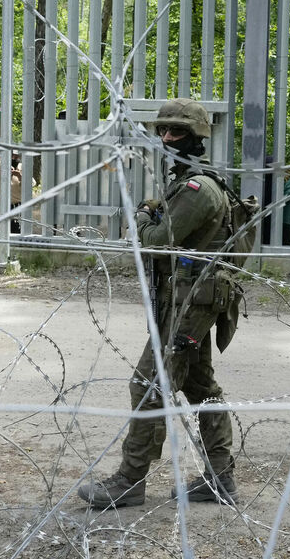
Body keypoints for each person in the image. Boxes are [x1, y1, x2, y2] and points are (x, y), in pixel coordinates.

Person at [78, 98, 239, 509]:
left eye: (177, 132)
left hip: (190, 303)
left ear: (196, 137)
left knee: (149, 384)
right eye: (163, 131)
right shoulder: (187, 183)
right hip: (189, 299)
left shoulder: (198, 187)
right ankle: (221, 478)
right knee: (200, 386)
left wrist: (144, 219)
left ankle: (130, 482)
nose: (167, 138)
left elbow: (155, 241)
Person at [0, 105, 23, 232]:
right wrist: (4, 166)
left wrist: (20, 176)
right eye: (12, 155)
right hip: (2, 205)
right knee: (2, 231)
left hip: (18, 206)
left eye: (16, 155)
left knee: (17, 233)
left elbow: (32, 184)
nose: (15, 157)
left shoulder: (21, 167)